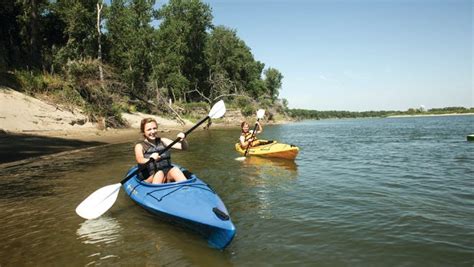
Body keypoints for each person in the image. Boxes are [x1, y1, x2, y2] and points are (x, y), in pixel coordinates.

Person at [135, 118, 188, 184]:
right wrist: (150, 159)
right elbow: (140, 160)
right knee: (159, 174)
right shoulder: (139, 146)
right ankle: (156, 191)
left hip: (167, 174)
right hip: (150, 178)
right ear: (143, 132)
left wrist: (183, 140)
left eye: (154, 128)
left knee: (175, 170)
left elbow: (183, 147)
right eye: (149, 129)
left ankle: (187, 189)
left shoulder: (163, 140)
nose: (153, 131)